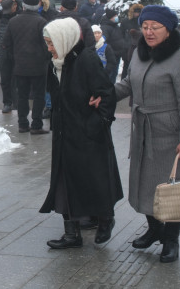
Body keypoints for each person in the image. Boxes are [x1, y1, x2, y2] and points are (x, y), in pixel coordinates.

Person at [113, 5, 180, 264]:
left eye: (155, 27)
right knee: (144, 183)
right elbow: (128, 83)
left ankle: (171, 240)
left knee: (171, 188)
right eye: (145, 27)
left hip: (170, 134)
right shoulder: (140, 53)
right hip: (143, 129)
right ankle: (154, 229)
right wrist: (104, 95)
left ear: (168, 30)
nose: (149, 32)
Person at [39, 18, 122, 248]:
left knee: (94, 180)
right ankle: (71, 234)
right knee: (63, 181)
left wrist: (97, 123)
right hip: (64, 133)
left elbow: (106, 94)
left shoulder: (86, 59)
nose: (49, 48)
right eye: (47, 43)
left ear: (63, 40)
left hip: (88, 134)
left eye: (51, 43)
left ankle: (105, 219)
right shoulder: (54, 63)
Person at [2, 0, 51, 134]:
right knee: (39, 96)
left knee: (22, 96)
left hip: (20, 65)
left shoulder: (13, 21)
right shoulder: (41, 22)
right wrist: (45, 58)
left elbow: (6, 43)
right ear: (38, 6)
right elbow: (47, 44)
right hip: (39, 66)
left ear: (23, 6)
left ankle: (23, 124)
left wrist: (14, 56)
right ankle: (36, 125)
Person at [100, 9, 125, 83]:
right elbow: (104, 41)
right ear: (110, 17)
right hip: (111, 55)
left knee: (114, 73)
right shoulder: (105, 27)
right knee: (110, 74)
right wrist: (111, 52)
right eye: (115, 16)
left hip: (117, 54)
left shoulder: (115, 26)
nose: (117, 17)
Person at [120, 3, 143, 79]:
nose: (137, 14)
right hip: (127, 49)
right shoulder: (125, 21)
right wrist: (123, 49)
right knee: (126, 69)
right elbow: (121, 35)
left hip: (141, 49)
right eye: (136, 12)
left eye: (139, 12)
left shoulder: (143, 22)